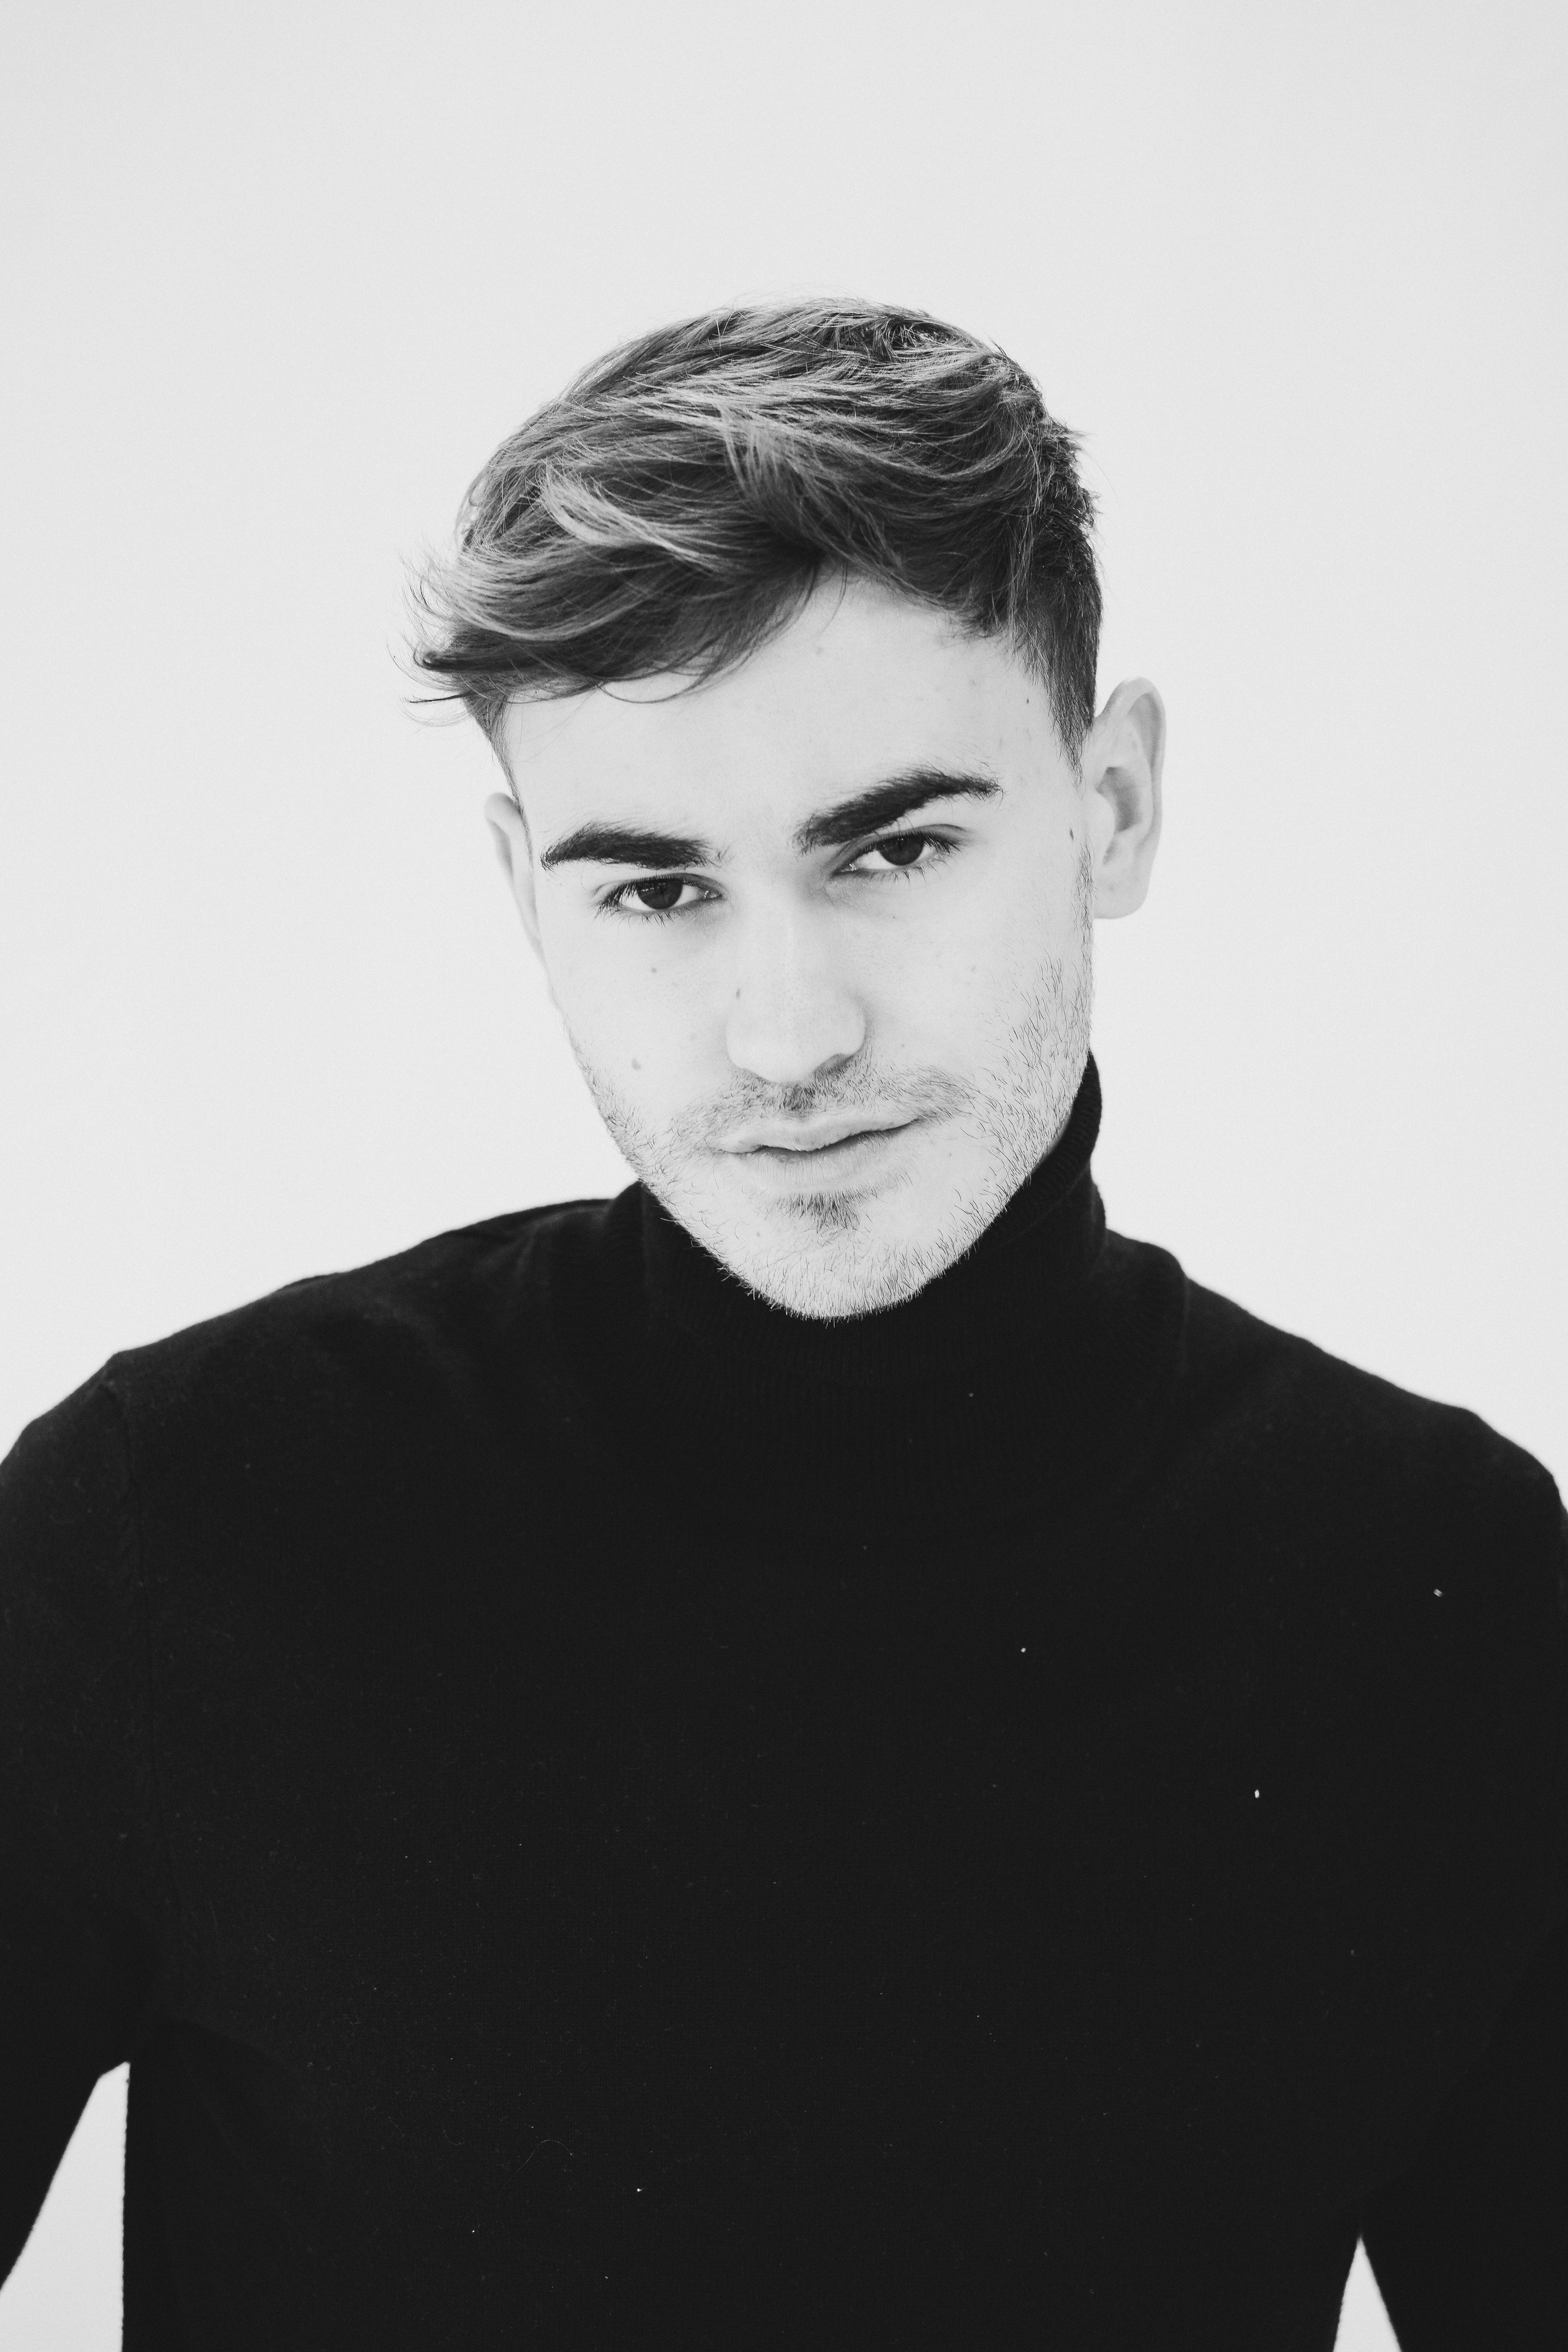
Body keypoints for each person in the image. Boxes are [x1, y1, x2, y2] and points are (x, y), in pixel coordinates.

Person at [1, 298, 1562, 2350]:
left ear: (1112, 805)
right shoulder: (176, 1521)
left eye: (898, 846)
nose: (788, 1033)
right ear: (522, 889)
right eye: (654, 891)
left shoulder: (1437, 1592)